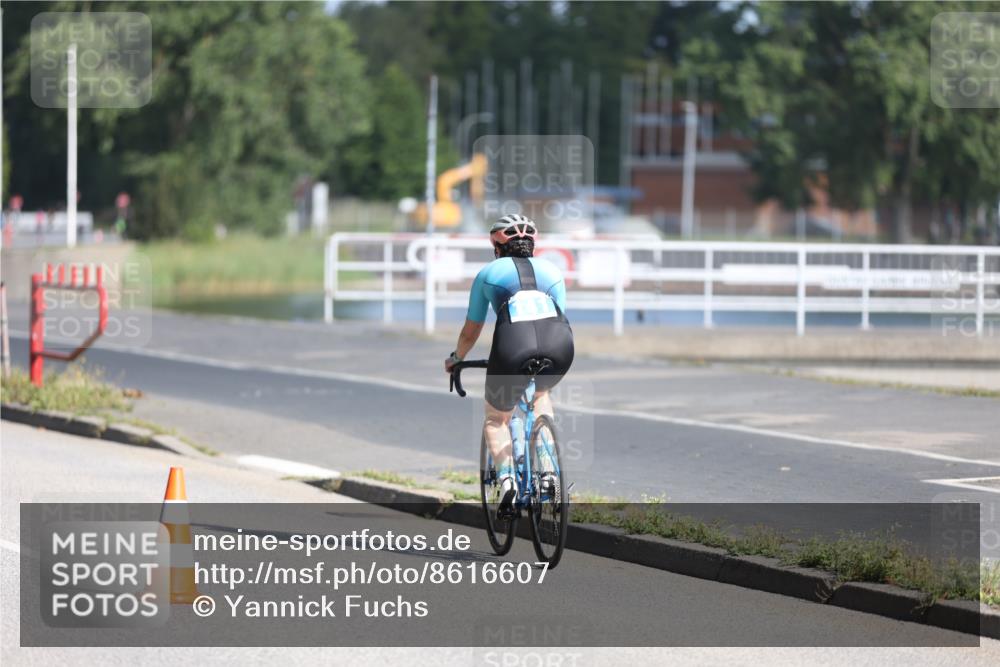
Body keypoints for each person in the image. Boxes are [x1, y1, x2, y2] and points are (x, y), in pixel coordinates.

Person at [444, 214, 574, 517]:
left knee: (496, 419)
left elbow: (471, 330)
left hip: (513, 345)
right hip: (559, 343)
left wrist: (457, 358)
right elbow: (557, 316)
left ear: (496, 245)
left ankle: (507, 485)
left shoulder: (489, 272)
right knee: (541, 395)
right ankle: (549, 476)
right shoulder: (553, 271)